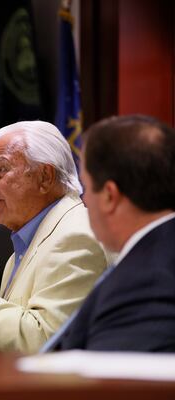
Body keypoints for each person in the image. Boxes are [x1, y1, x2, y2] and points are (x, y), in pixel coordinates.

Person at [0, 120, 110, 353]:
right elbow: (4, 343)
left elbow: (44, 340)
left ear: (45, 177)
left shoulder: (75, 237)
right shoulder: (27, 242)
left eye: (2, 170)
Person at [43, 115, 175, 352]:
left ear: (109, 196)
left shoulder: (144, 282)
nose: (84, 200)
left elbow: (113, 384)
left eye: (86, 186)